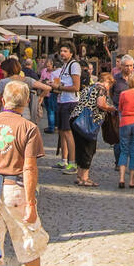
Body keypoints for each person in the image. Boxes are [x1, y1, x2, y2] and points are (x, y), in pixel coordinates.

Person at [0, 79, 49, 266]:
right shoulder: (28, 128)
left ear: (2, 99)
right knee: (28, 244)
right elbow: (29, 167)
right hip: (15, 190)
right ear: (24, 103)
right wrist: (31, 202)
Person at [70, 73, 114, 186]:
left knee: (80, 148)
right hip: (88, 123)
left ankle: (79, 176)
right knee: (88, 149)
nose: (109, 88)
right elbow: (100, 104)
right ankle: (85, 178)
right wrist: (111, 108)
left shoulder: (89, 87)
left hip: (76, 120)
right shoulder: (101, 89)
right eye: (110, 85)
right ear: (107, 81)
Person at [53, 41, 82, 173]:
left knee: (68, 132)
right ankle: (64, 160)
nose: (62, 53)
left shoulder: (74, 65)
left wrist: (59, 87)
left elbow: (76, 87)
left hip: (70, 102)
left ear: (71, 53)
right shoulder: (65, 65)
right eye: (61, 51)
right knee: (62, 131)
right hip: (62, 100)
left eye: (65, 51)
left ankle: (72, 163)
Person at [40, 56, 57, 133]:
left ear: (53, 66)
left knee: (51, 111)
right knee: (48, 110)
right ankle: (52, 125)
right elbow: (41, 79)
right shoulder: (44, 70)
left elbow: (57, 83)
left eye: (49, 66)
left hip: (51, 93)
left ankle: (51, 127)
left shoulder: (55, 73)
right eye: (47, 66)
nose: (47, 67)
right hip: (45, 93)